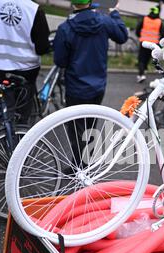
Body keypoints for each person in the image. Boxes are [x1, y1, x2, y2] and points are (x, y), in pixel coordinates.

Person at [53, 0, 127, 169]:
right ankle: (84, 164)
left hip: (75, 87)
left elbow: (60, 61)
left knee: (75, 127)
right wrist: (115, 13)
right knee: (91, 125)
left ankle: (78, 166)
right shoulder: (104, 21)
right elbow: (122, 37)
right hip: (98, 86)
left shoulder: (66, 28)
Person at [0, 0, 51, 127]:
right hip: (24, 72)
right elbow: (42, 47)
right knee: (22, 109)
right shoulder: (35, 10)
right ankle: (20, 133)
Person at [135, 6, 164, 83]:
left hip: (144, 42)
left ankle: (141, 75)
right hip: (153, 44)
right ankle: (143, 71)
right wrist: (159, 42)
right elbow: (162, 34)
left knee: (141, 59)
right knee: (147, 58)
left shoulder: (145, 19)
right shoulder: (159, 21)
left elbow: (137, 29)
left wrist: (140, 36)